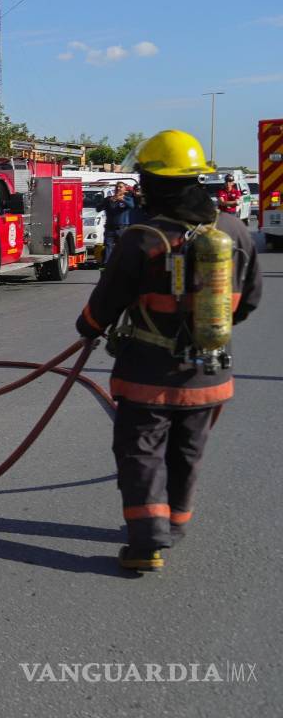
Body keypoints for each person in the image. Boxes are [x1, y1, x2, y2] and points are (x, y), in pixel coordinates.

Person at [75, 129, 262, 573]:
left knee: (141, 451)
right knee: (187, 451)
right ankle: (174, 524)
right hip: (209, 375)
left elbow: (104, 305)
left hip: (147, 376)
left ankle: (146, 541)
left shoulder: (143, 238)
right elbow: (250, 301)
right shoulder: (234, 230)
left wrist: (88, 327)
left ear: (157, 183)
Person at [101, 183, 134, 266]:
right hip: (110, 228)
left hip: (122, 229)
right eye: (117, 187)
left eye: (120, 187)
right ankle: (107, 265)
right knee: (108, 247)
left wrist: (122, 199)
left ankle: (124, 264)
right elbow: (98, 208)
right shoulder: (108, 199)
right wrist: (107, 201)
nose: (118, 188)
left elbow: (132, 206)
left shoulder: (127, 199)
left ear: (124, 189)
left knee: (123, 248)